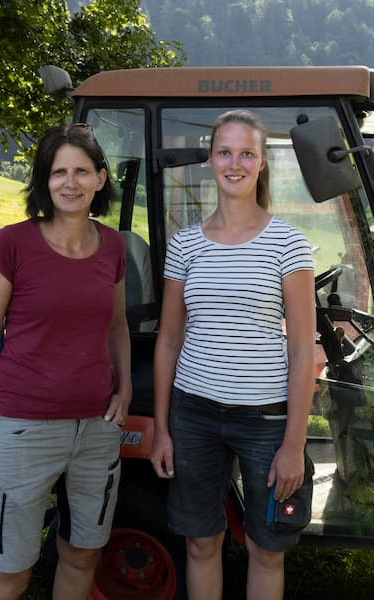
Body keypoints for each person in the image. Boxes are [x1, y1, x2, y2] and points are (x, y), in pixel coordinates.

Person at [0, 123, 131, 600]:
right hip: (23, 429)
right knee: (10, 572)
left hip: (96, 430)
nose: (69, 183)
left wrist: (126, 388)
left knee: (82, 554)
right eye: (58, 173)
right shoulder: (13, 244)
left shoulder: (113, 247)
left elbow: (116, 326)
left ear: (99, 178)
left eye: (80, 171)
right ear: (43, 182)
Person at [150, 109, 317, 599]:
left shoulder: (288, 244)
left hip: (265, 421)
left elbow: (303, 349)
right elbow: (168, 341)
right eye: (225, 152)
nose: (235, 162)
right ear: (211, 160)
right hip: (194, 416)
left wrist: (293, 444)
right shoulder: (184, 246)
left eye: (247, 152)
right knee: (202, 543)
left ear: (263, 163)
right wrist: (162, 428)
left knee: (267, 549)